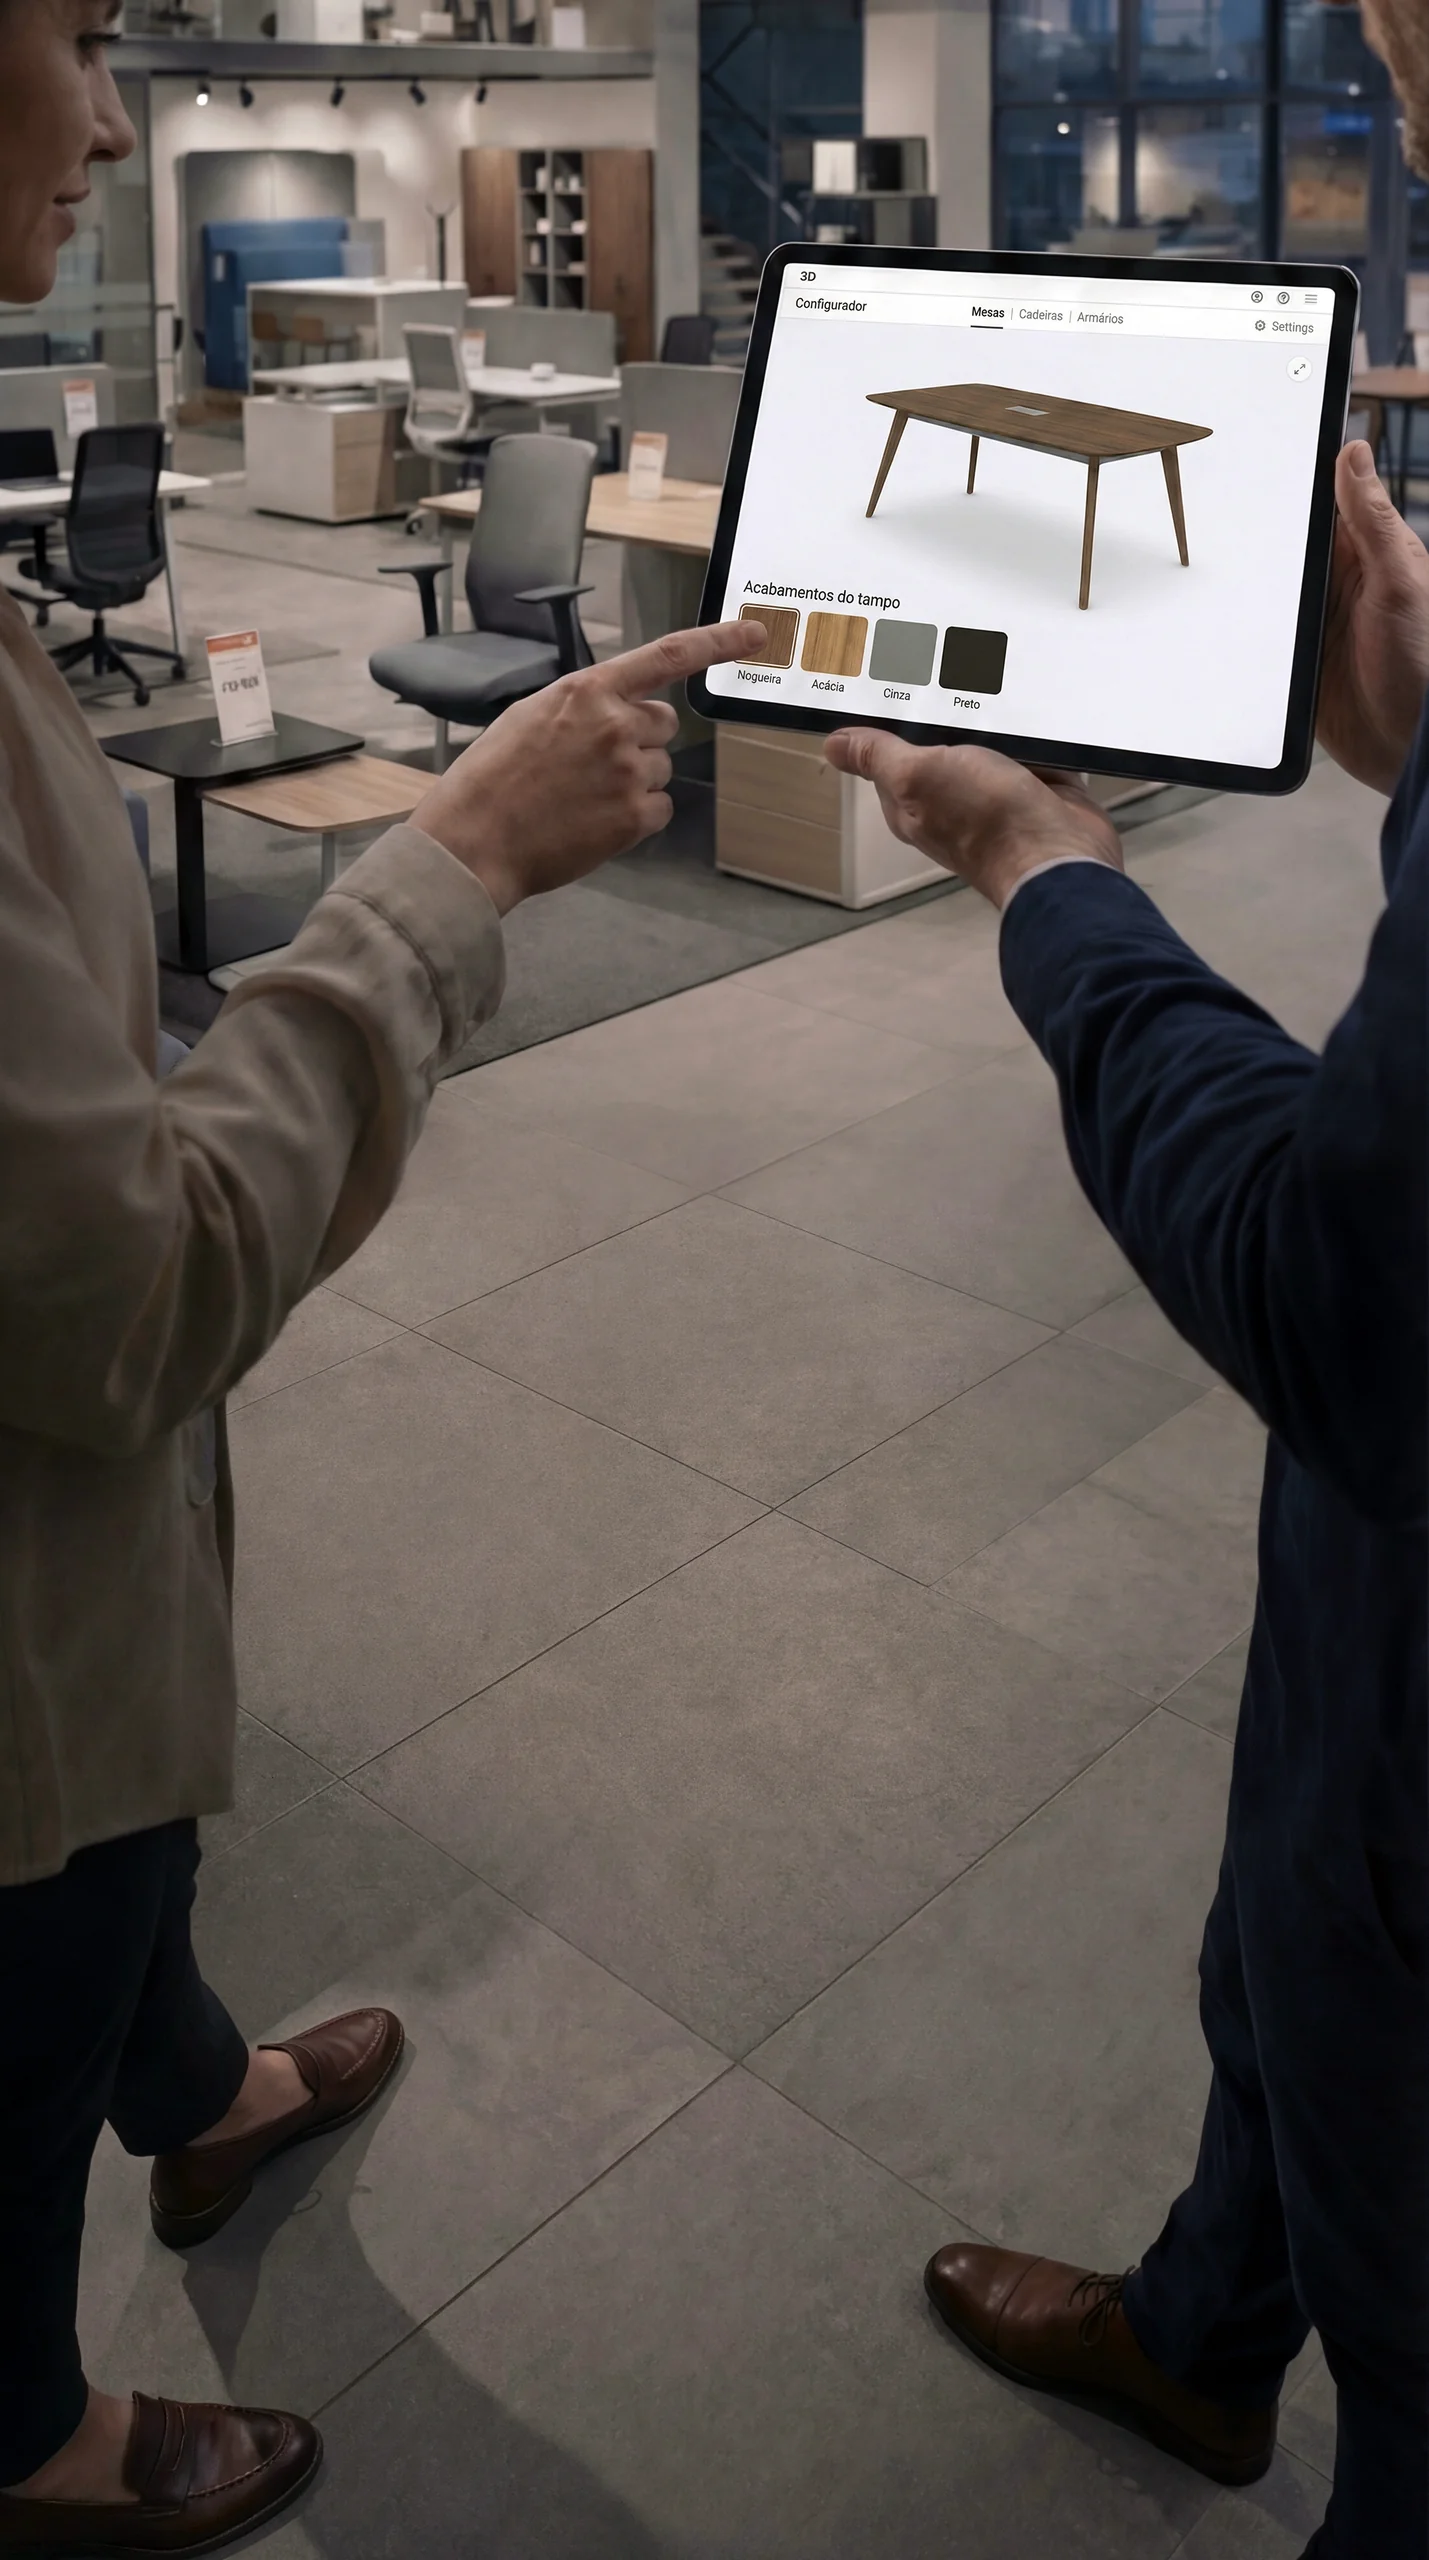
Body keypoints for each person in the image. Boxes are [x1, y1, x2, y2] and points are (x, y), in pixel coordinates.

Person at [0, 2, 761, 2546]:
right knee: (43, 1902)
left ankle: (199, 2087)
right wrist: (447, 871)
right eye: (68, 37)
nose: (113, 114)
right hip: (33, 1555)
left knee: (137, 1816)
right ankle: (34, 2437)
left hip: (83, 1578)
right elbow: (132, 1290)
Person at [824, 9, 1427, 2545]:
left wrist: (1041, 872)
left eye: (1414, 69)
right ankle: (1201, 2330)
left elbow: (1341, 1288)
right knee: (1279, 1931)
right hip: (1368, 1581)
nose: (1398, 111)